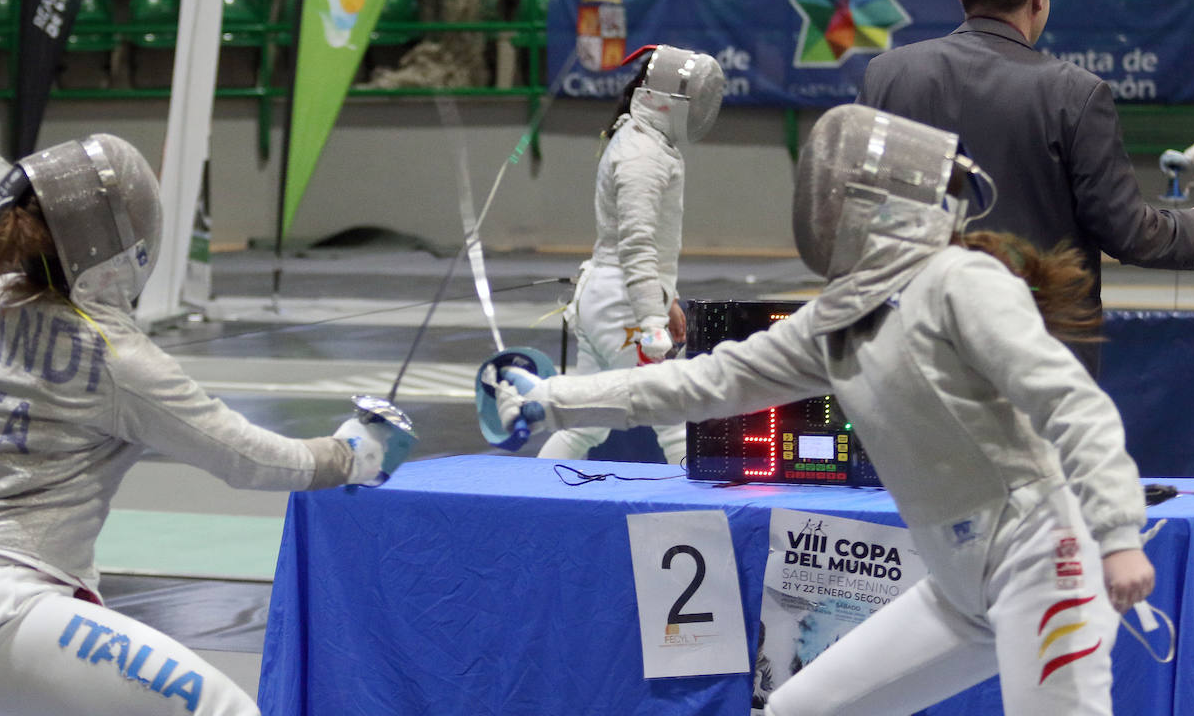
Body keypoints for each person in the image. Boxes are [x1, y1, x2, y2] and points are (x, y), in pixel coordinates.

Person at [490, 105, 1154, 714]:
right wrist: (552, 399)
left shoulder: (961, 282)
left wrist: (1119, 533)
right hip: (958, 586)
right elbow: (706, 382)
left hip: (1045, 561)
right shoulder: (836, 323)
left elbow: (1073, 404)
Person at [0, 134, 413, 716]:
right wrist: (351, 453)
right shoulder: (117, 356)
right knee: (223, 709)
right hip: (9, 613)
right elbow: (246, 456)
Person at [857, 0, 1194, 375]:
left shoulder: (885, 76)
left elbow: (864, 214)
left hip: (911, 354)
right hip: (1037, 368)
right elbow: (1127, 232)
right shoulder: (1076, 94)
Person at [538, 44, 724, 465]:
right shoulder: (642, 155)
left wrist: (666, 299)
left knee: (586, 421)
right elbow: (636, 245)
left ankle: (538, 493)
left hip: (606, 296)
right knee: (673, 413)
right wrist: (651, 320)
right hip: (622, 301)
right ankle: (699, 517)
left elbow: (645, 246)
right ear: (670, 101)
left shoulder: (644, 142)